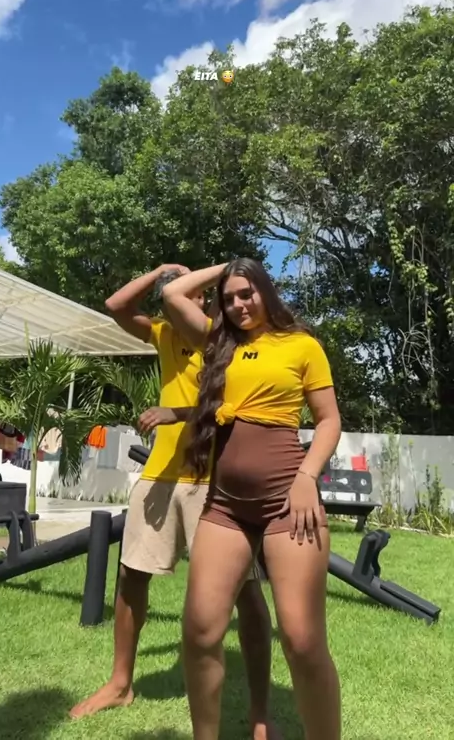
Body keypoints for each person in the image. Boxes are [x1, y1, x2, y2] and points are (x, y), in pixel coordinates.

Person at [70, 264, 280, 740]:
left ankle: (261, 713)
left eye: (202, 292)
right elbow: (116, 305)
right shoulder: (164, 334)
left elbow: (239, 408)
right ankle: (120, 684)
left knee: (246, 590)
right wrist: (160, 272)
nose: (191, 297)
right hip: (160, 473)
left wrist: (177, 411)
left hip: (215, 477)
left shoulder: (232, 341)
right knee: (131, 575)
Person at [162, 258, 342, 740]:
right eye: (229, 298)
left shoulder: (301, 345)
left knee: (302, 642)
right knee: (200, 631)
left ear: (266, 290)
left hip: (289, 501)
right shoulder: (218, 343)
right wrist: (228, 265)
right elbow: (173, 295)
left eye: (247, 293)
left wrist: (307, 475)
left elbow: (328, 419)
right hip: (226, 507)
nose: (239, 304)